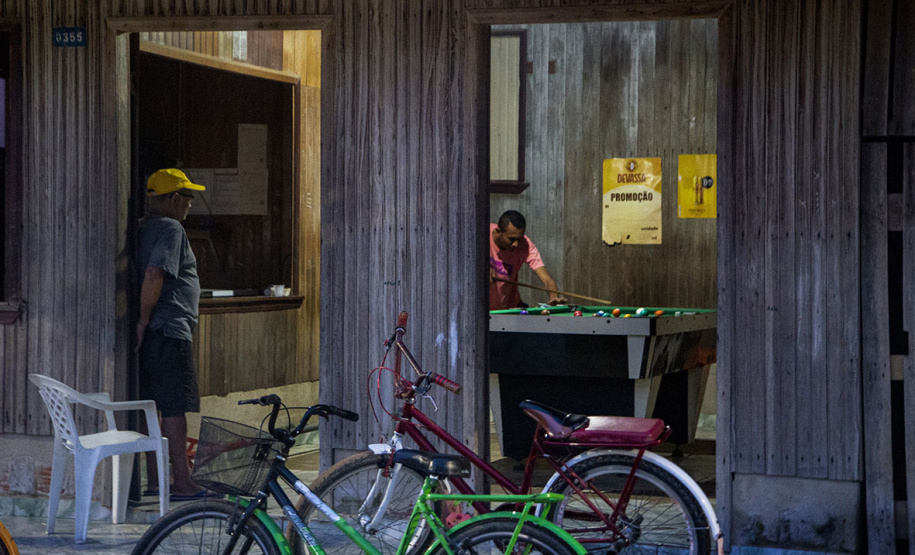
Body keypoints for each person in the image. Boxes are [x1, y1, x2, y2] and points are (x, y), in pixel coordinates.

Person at [136, 168, 215, 500]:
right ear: (171, 199)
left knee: (154, 407)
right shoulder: (171, 229)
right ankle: (181, 482)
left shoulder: (144, 227)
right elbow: (156, 273)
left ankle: (156, 480)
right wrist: (144, 319)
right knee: (173, 410)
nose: (191, 205)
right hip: (169, 329)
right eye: (187, 197)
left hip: (156, 330)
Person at [489, 210, 567, 310]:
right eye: (511, 239)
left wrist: (554, 297)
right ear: (498, 232)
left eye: (519, 239)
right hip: (478, 313)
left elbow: (547, 279)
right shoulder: (480, 234)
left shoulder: (525, 244)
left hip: (509, 310)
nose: (516, 244)